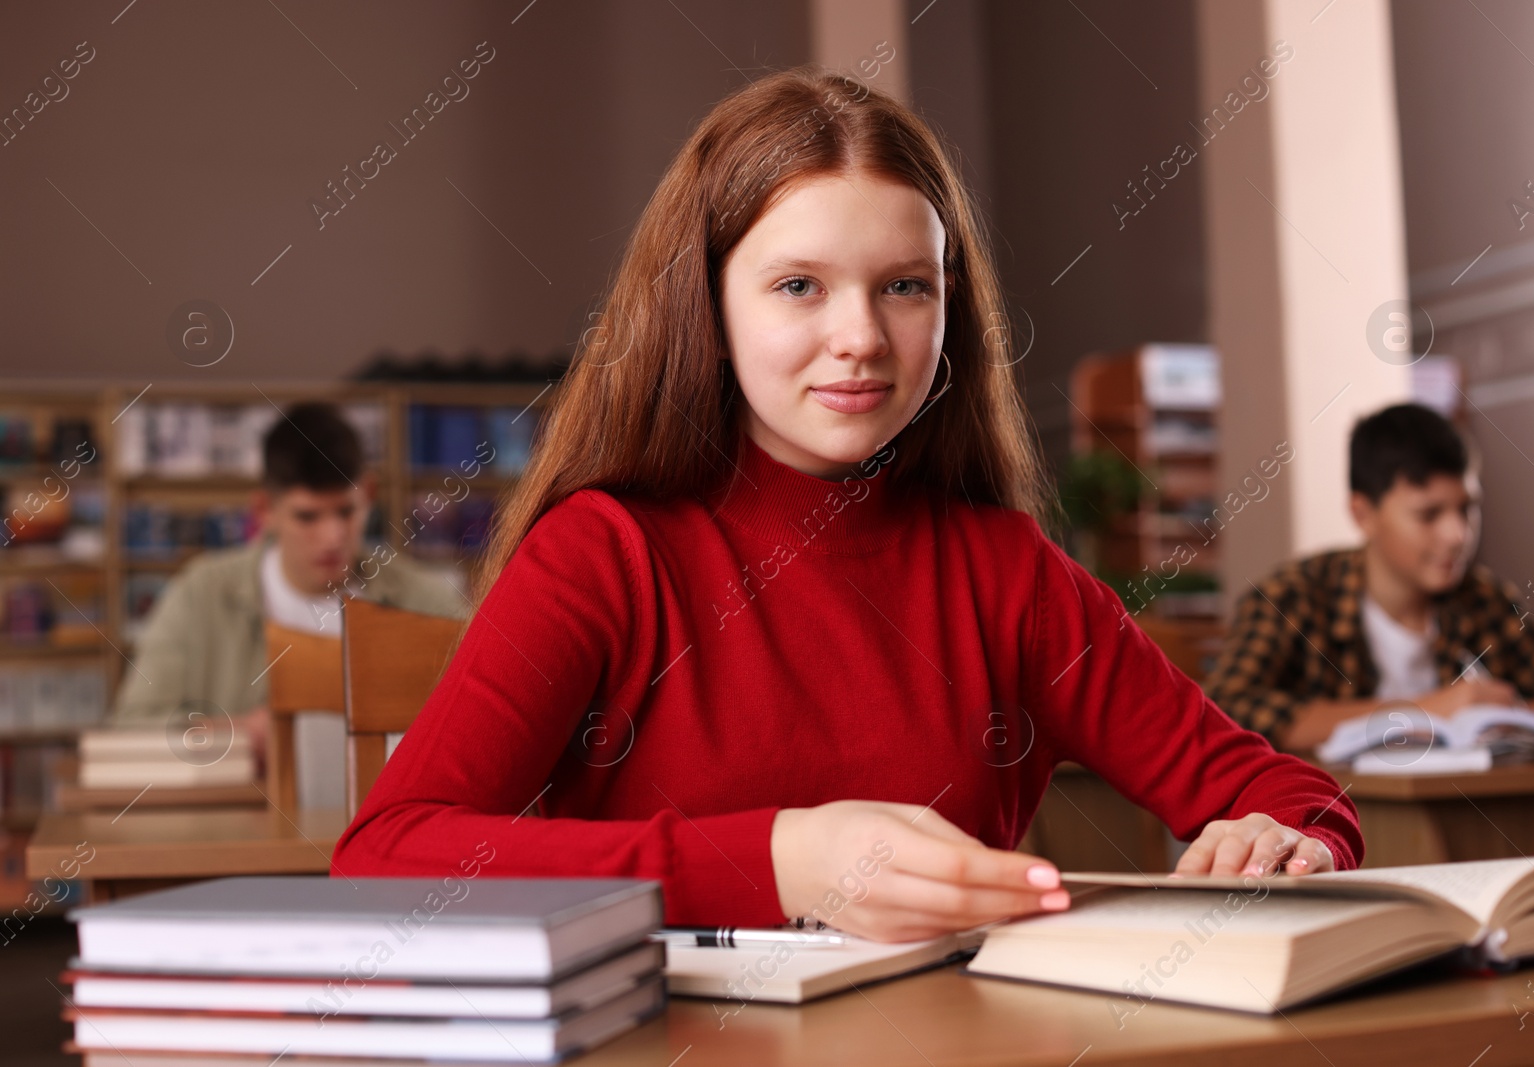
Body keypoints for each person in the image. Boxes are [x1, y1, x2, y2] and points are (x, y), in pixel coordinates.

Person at [332, 67, 1361, 941]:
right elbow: (385, 857)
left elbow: (1293, 794)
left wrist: (1287, 838)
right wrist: (780, 857)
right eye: (798, 286)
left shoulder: (1005, 568)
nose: (862, 335)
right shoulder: (605, 553)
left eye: (905, 286)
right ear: (709, 308)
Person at [111, 402, 463, 801]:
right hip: (250, 838)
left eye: (346, 512)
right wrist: (237, 734)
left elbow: (479, 723)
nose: (332, 537)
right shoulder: (201, 594)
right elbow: (130, 728)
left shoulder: (423, 599)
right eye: (308, 517)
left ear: (369, 494)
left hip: (389, 831)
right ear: (264, 510)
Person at [1206, 402, 1534, 753]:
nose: (1457, 534)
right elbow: (1224, 711)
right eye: (1428, 515)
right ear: (1363, 514)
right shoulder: (1288, 598)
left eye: (1467, 508)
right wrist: (1423, 711)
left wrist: (1503, 715)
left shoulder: (1483, 600)